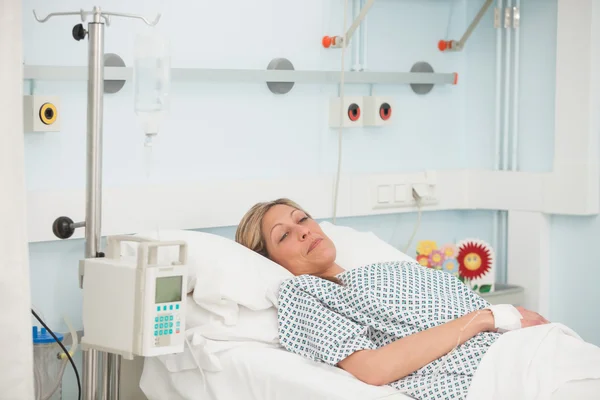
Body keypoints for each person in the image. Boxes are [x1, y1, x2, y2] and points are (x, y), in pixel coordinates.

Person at [234, 198, 598, 400]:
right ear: (269, 261)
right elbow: (372, 369)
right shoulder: (303, 293)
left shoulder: (385, 268)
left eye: (303, 219)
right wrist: (489, 317)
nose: (303, 232)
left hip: (536, 349)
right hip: (487, 372)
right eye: (284, 236)